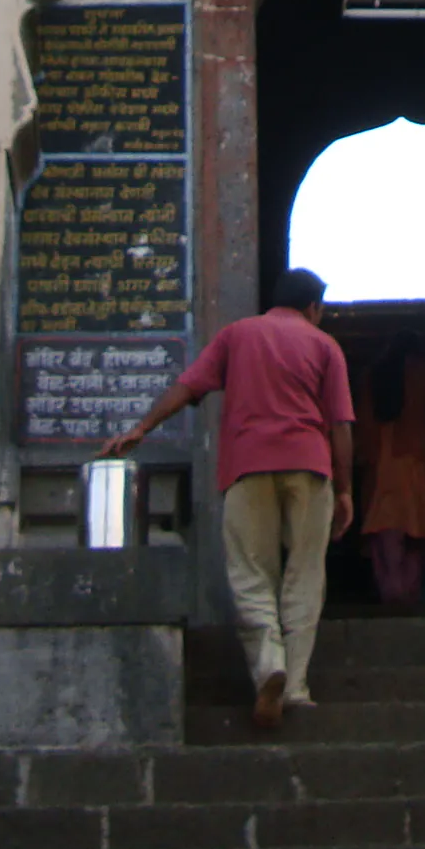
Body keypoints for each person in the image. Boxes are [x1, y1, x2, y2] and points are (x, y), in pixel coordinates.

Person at [103, 268, 353, 730]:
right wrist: (345, 490)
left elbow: (188, 386)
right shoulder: (324, 346)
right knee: (304, 575)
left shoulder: (237, 335)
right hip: (309, 465)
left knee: (251, 573)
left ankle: (267, 664)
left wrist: (141, 428)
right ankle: (295, 687)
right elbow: (340, 424)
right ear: (314, 307)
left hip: (248, 464)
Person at [357, 333, 425, 605]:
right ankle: (409, 594)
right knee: (416, 537)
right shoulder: (424, 372)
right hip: (419, 460)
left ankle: (391, 593)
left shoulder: (374, 376)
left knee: (386, 540)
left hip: (383, 461)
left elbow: (365, 427)